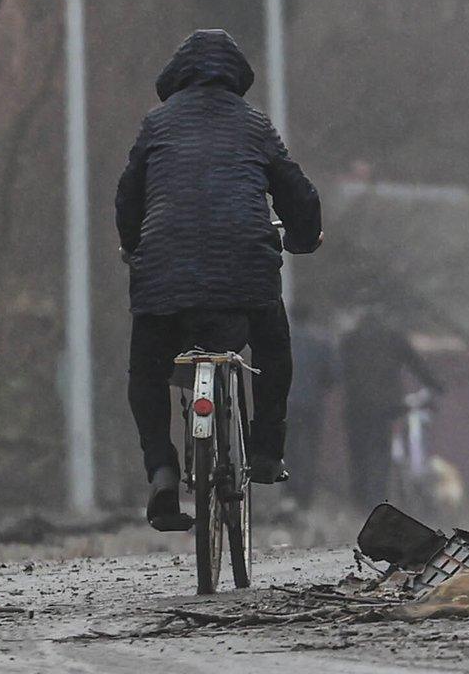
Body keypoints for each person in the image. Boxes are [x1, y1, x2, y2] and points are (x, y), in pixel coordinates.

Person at [116, 29, 322, 530]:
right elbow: (298, 192)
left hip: (164, 279)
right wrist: (303, 236)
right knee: (273, 349)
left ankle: (163, 471)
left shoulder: (156, 125)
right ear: (236, 77)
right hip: (244, 278)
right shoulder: (254, 126)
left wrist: (132, 245)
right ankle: (268, 453)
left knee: (145, 372)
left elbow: (128, 196)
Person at [338, 309, 441, 509]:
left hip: (356, 405)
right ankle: (376, 499)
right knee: (380, 452)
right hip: (385, 406)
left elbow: (337, 369)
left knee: (358, 453)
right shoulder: (393, 338)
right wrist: (436, 386)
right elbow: (416, 364)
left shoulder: (349, 341)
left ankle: (359, 500)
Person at [284, 300, 340, 506]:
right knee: (310, 447)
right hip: (312, 402)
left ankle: (290, 491)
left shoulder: (283, 339)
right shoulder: (322, 341)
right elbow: (334, 374)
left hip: (287, 401)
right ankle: (305, 494)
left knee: (289, 447)